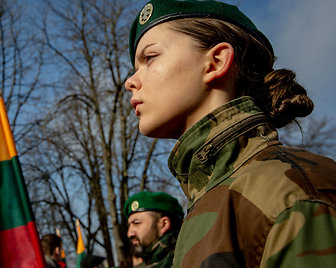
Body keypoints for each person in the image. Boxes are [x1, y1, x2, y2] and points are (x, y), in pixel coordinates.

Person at [125, 0, 336, 267]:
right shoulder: (208, 199)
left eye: (150, 58)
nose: (130, 81)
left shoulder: (293, 194)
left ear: (215, 62)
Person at [124, 191, 184, 268]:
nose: (129, 233)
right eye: (129, 225)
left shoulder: (187, 260)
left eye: (136, 223)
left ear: (164, 224)